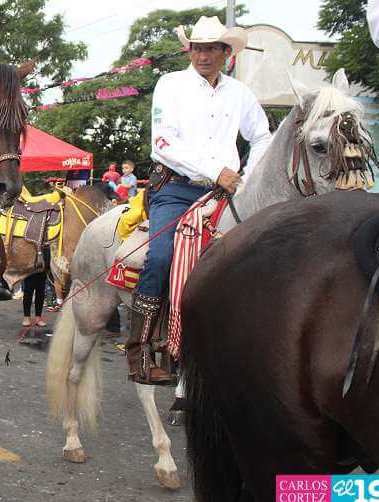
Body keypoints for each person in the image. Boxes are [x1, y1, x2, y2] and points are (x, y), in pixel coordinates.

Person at [126, 15, 271, 384]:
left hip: (224, 192)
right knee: (161, 256)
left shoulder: (240, 93)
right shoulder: (170, 84)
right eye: (197, 48)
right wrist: (215, 169)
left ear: (226, 53)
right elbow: (163, 142)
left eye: (211, 49)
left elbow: (262, 136)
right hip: (175, 188)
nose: (203, 56)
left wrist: (247, 178)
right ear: (189, 51)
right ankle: (140, 353)